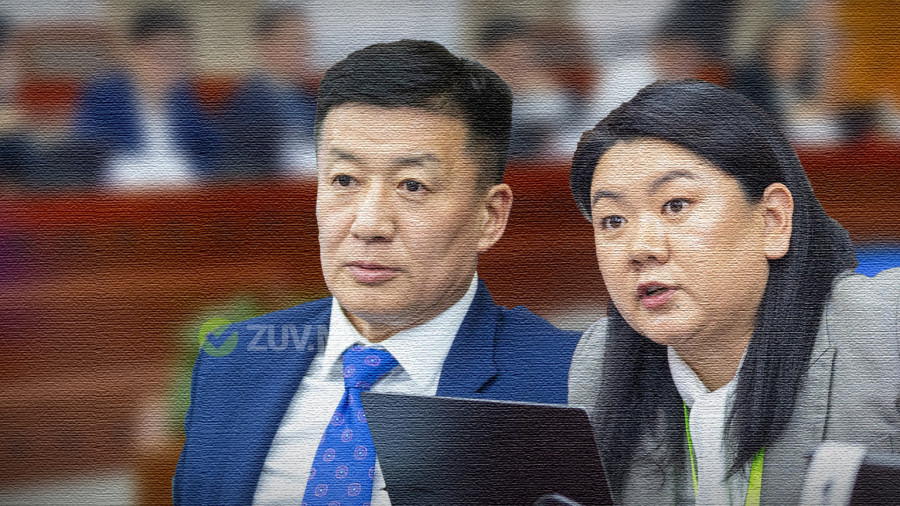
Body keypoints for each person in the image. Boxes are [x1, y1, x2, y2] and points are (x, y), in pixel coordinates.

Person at [173, 40, 580, 505]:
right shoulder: (235, 360)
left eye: (412, 185)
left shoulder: (565, 376)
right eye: (344, 180)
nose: (368, 225)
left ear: (489, 217)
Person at [567, 80, 899, 504]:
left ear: (772, 220)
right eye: (613, 220)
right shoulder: (599, 363)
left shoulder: (885, 328)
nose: (641, 248)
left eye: (676, 205)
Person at [71, 6, 221, 186]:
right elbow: (89, 154)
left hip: (184, 193)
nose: (172, 66)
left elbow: (209, 148)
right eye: (162, 55)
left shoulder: (183, 97)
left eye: (180, 57)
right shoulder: (105, 93)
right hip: (123, 194)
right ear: (135, 54)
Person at [218, 6, 318, 178]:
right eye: (293, 42)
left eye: (305, 42)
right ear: (264, 46)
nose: (304, 51)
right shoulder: (246, 105)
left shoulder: (310, 97)